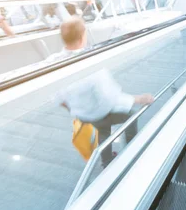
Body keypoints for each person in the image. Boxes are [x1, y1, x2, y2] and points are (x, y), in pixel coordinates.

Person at [51, 17, 154, 167]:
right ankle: (133, 149)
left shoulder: (54, 62)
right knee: (131, 115)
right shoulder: (91, 64)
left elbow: (58, 98)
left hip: (82, 115)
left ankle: (106, 161)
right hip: (98, 112)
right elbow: (110, 99)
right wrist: (140, 98)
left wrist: (76, 110)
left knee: (102, 128)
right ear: (82, 37)